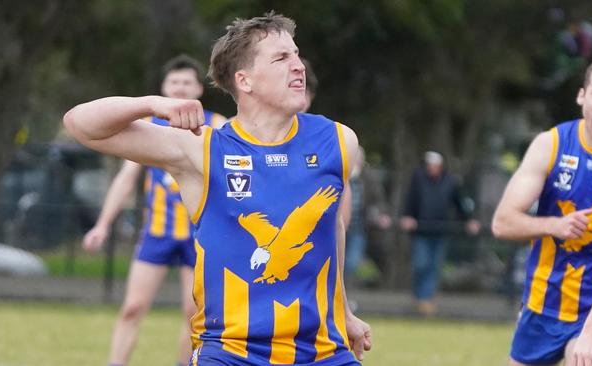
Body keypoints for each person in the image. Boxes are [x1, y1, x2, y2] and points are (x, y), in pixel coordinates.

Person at [64, 12, 371, 366]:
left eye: (296, 54)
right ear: (245, 80)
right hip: (230, 353)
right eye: (282, 58)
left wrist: (343, 313)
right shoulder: (200, 149)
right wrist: (151, 104)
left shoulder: (337, 140)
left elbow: (331, 227)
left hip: (324, 353)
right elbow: (80, 124)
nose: (298, 66)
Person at [82, 54, 225, 366]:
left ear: (199, 89)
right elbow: (126, 179)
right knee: (133, 306)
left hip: (198, 237)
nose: (180, 88)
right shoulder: (147, 128)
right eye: (174, 82)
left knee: (194, 313)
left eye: (187, 82)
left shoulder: (218, 126)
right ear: (164, 88)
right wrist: (102, 225)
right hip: (157, 233)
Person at [492, 56, 592, 366]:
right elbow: (503, 223)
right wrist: (555, 226)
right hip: (543, 303)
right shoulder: (552, 144)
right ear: (581, 96)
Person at [400, 151, 480, 315]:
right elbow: (410, 199)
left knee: (434, 266)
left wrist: (469, 220)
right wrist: (408, 216)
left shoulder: (450, 182)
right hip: (422, 231)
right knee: (421, 264)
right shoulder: (419, 179)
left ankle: (426, 298)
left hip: (440, 231)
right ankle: (419, 296)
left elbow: (459, 203)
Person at [341, 146, 391, 286]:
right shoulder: (338, 173)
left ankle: (343, 290)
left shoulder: (369, 178)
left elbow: (378, 199)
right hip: (339, 226)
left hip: (359, 227)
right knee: (336, 261)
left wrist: (380, 214)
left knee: (351, 262)